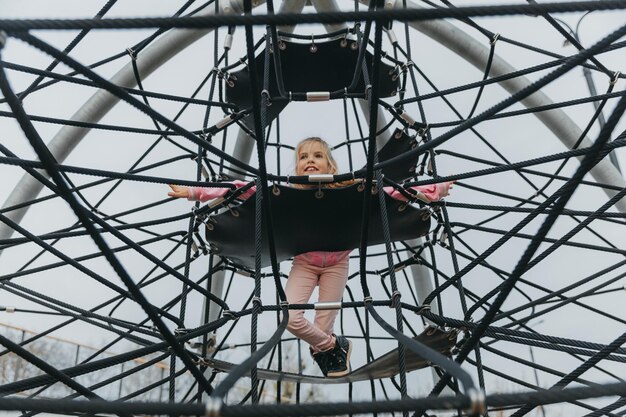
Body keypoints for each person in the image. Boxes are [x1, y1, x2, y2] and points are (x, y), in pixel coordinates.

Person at [168, 137, 453, 377]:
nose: (310, 160)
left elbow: (394, 194)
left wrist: (434, 190)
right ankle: (331, 346)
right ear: (297, 165)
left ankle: (326, 350)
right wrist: (195, 192)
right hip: (304, 262)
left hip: (338, 263)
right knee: (289, 317)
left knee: (321, 323)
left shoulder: (349, 189)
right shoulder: (289, 193)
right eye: (303, 156)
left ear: (331, 165)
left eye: (318, 155)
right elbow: (240, 189)